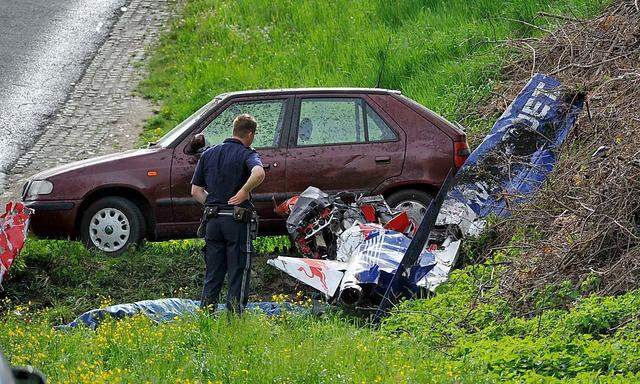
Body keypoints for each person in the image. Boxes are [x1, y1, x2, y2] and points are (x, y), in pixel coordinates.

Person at [190, 114, 265, 313]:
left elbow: (195, 191)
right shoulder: (247, 154)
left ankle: (206, 316)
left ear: (234, 130)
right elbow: (259, 173)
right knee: (238, 272)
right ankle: (234, 320)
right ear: (249, 134)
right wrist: (243, 192)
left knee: (213, 274)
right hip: (236, 222)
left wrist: (214, 204)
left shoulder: (209, 154)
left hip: (213, 221)